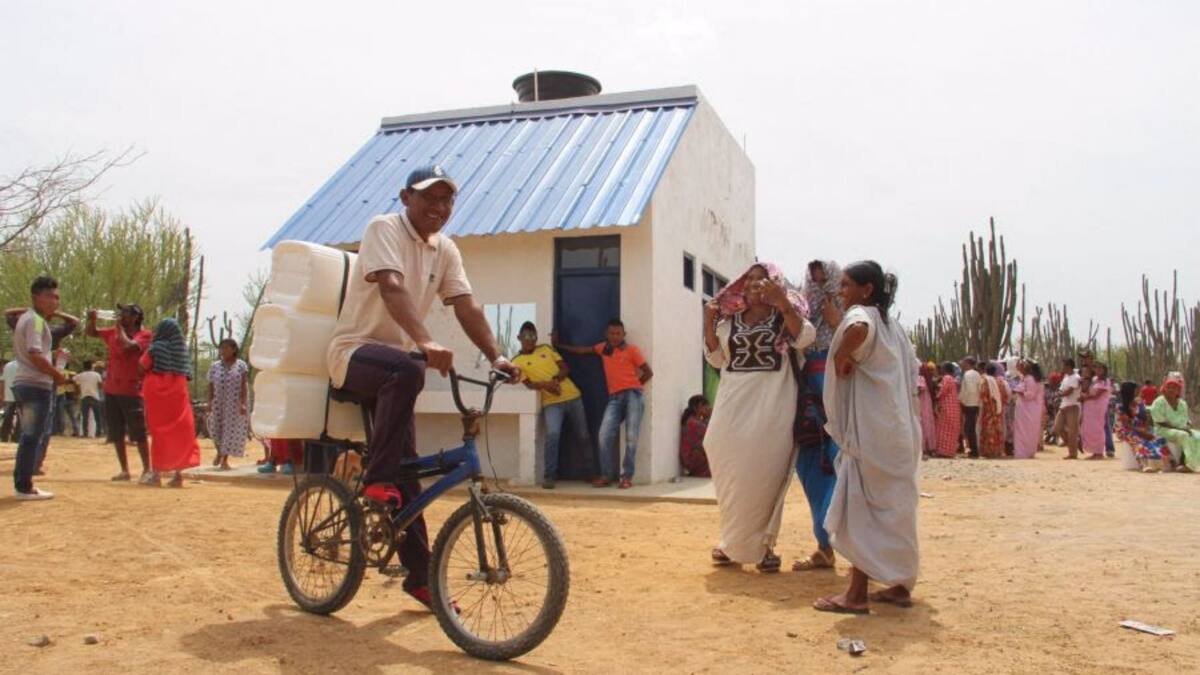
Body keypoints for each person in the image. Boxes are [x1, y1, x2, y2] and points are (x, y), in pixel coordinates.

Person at [324, 164, 519, 611]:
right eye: (429, 196)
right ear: (405, 197)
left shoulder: (445, 249)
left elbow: (466, 305)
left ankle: (419, 577)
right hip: (353, 354)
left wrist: (497, 357)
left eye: (447, 199)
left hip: (396, 370)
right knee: (408, 370)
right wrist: (426, 341)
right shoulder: (384, 228)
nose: (439, 206)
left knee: (408, 471)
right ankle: (376, 480)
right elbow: (392, 288)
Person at [814, 261, 921, 614]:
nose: (841, 291)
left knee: (861, 509)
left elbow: (857, 329)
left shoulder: (862, 316)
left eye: (846, 285)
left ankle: (856, 594)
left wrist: (842, 353)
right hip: (899, 432)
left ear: (867, 289)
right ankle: (899, 585)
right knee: (895, 509)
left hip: (872, 434)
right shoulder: (894, 327)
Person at [701, 262, 815, 572]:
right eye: (749, 279)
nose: (754, 284)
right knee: (730, 476)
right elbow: (717, 358)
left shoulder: (787, 317)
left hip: (772, 408)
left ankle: (763, 548)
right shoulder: (729, 322)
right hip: (731, 407)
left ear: (775, 283)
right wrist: (708, 323)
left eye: (762, 279)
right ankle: (732, 541)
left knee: (764, 479)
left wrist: (782, 304)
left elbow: (805, 338)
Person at [555, 318, 653, 488]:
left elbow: (648, 372)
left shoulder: (632, 350)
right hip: (614, 398)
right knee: (604, 435)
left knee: (631, 437)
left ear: (624, 335)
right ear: (606, 334)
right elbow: (581, 351)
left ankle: (626, 477)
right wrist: (559, 345)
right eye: (612, 333)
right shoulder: (603, 348)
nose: (615, 336)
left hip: (633, 396)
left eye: (618, 333)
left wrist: (635, 387)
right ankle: (606, 475)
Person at [792, 259, 842, 573]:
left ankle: (855, 551)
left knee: (841, 467)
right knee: (810, 468)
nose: (821, 287)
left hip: (838, 403)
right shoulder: (801, 315)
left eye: (826, 281)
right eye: (815, 281)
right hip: (808, 401)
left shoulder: (854, 319)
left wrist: (838, 323)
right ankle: (824, 546)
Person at [10, 276, 70, 500]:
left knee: (29, 436)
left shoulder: (27, 319)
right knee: (32, 437)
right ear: (36, 297)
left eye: (57, 297)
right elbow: (35, 355)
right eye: (50, 296)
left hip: (25, 382)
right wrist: (57, 375)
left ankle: (23, 483)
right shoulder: (35, 321)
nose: (55, 301)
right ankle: (24, 487)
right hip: (35, 385)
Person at [511, 322, 589, 489]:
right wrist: (545, 385)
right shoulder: (516, 362)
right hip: (551, 403)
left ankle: (592, 473)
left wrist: (555, 380)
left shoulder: (546, 349)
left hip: (573, 396)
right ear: (519, 337)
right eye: (526, 336)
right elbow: (529, 384)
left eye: (533, 336)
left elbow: (565, 368)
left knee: (583, 435)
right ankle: (550, 476)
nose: (529, 339)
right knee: (552, 436)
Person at [87, 304, 153, 482]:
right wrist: (91, 320)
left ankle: (147, 469)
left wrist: (118, 328)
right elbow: (92, 333)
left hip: (132, 390)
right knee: (116, 432)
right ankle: (124, 470)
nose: (121, 316)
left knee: (138, 432)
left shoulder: (145, 335)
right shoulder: (113, 332)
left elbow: (129, 346)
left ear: (136, 317)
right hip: (111, 388)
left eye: (125, 313)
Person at [138, 319, 200, 487]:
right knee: (180, 432)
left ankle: (156, 474)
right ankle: (178, 476)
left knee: (159, 432)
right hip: (179, 394)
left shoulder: (156, 347)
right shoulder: (182, 351)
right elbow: (186, 373)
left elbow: (142, 367)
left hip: (157, 394)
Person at [207, 338, 249, 471]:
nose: (223, 351)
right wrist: (209, 401)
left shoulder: (241, 365)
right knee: (215, 428)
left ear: (234, 349)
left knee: (229, 432)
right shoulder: (215, 366)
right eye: (221, 348)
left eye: (226, 348)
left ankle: (224, 460)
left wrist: (243, 403)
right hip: (218, 403)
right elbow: (210, 385)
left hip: (234, 404)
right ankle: (219, 451)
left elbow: (244, 386)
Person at [1114, 381, 1174, 473]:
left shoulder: (1139, 402)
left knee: (1159, 439)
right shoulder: (1120, 406)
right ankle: (1144, 464)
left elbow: (1146, 418)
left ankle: (1167, 464)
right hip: (1126, 430)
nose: (1137, 392)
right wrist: (1142, 432)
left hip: (1142, 429)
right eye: (1135, 390)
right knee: (1138, 441)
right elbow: (1126, 425)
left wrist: (1146, 430)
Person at [1148, 373, 1199, 471]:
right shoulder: (1159, 402)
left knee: (1197, 436)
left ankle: (1195, 463)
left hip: (1181, 429)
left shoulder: (1182, 404)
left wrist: (1188, 426)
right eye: (1169, 387)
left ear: (1178, 391)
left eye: (1174, 388)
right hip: (1163, 430)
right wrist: (1180, 428)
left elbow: (1185, 419)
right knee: (1184, 435)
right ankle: (1184, 464)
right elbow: (1160, 422)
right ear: (1164, 389)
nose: (1171, 390)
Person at [1010, 360, 1045, 459]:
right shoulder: (1026, 378)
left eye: (1023, 365)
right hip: (1026, 408)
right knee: (1026, 430)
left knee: (1025, 430)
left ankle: (1023, 452)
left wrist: (1019, 392)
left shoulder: (1030, 379)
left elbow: (1030, 395)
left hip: (1028, 409)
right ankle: (1026, 451)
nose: (1021, 367)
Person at [1080, 362, 1112, 460]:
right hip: (1090, 408)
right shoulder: (1094, 380)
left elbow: (1097, 395)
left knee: (1098, 429)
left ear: (1104, 370)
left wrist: (1085, 397)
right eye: (1096, 368)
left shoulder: (1105, 381)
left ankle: (1099, 452)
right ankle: (1094, 451)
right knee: (1089, 429)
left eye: (1100, 369)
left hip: (1098, 408)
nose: (1098, 371)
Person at [1052, 358, 1082, 458]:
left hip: (1073, 405)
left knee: (1072, 431)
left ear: (1069, 366)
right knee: (1057, 427)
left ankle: (1072, 453)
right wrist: (1058, 394)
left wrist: (1059, 395)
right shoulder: (1065, 378)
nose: (1062, 368)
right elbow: (1061, 390)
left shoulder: (1076, 377)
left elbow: (1069, 391)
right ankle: (1074, 443)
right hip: (1064, 405)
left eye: (1064, 366)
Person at [978, 363, 1008, 459]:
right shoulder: (1000, 382)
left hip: (988, 410)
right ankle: (997, 450)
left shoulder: (985, 381)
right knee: (997, 429)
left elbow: (983, 395)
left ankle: (988, 451)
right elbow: (1005, 396)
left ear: (985, 371)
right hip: (998, 410)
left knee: (988, 429)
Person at [932, 362, 961, 458]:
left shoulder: (947, 378)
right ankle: (949, 451)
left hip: (947, 407)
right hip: (953, 407)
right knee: (951, 430)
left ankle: (943, 451)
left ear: (945, 369)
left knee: (944, 430)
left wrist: (935, 396)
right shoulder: (951, 378)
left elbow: (942, 391)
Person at [678, 394, 712, 478]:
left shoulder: (695, 420)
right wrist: (709, 418)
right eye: (706, 407)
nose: (709, 409)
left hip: (691, 459)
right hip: (692, 460)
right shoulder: (693, 423)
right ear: (699, 406)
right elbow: (711, 436)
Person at [958, 356, 983, 457]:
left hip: (969, 404)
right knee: (971, 428)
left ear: (968, 363)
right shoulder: (977, 374)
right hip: (975, 404)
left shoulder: (968, 374)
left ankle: (974, 451)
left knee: (969, 428)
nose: (962, 364)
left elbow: (968, 390)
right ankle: (973, 450)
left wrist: (962, 400)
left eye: (964, 363)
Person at [74, 361, 105, 437]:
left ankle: (85, 433)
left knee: (85, 417)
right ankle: (99, 432)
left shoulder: (80, 375)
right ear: (91, 366)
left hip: (84, 396)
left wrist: (78, 390)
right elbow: (100, 386)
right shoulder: (96, 375)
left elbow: (74, 380)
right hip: (95, 397)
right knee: (97, 416)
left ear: (84, 367)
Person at [917, 362, 937, 455]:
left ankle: (924, 447)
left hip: (922, 404)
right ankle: (930, 446)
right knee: (928, 424)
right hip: (927, 404)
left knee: (923, 424)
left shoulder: (920, 378)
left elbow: (918, 390)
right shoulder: (929, 379)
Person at [1, 357, 20, 443]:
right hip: (20, 395)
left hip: (8, 395)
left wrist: (2, 395)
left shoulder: (7, 365)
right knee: (20, 418)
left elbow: (2, 381)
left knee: (7, 417)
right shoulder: (24, 366)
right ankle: (16, 437)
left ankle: (4, 436)